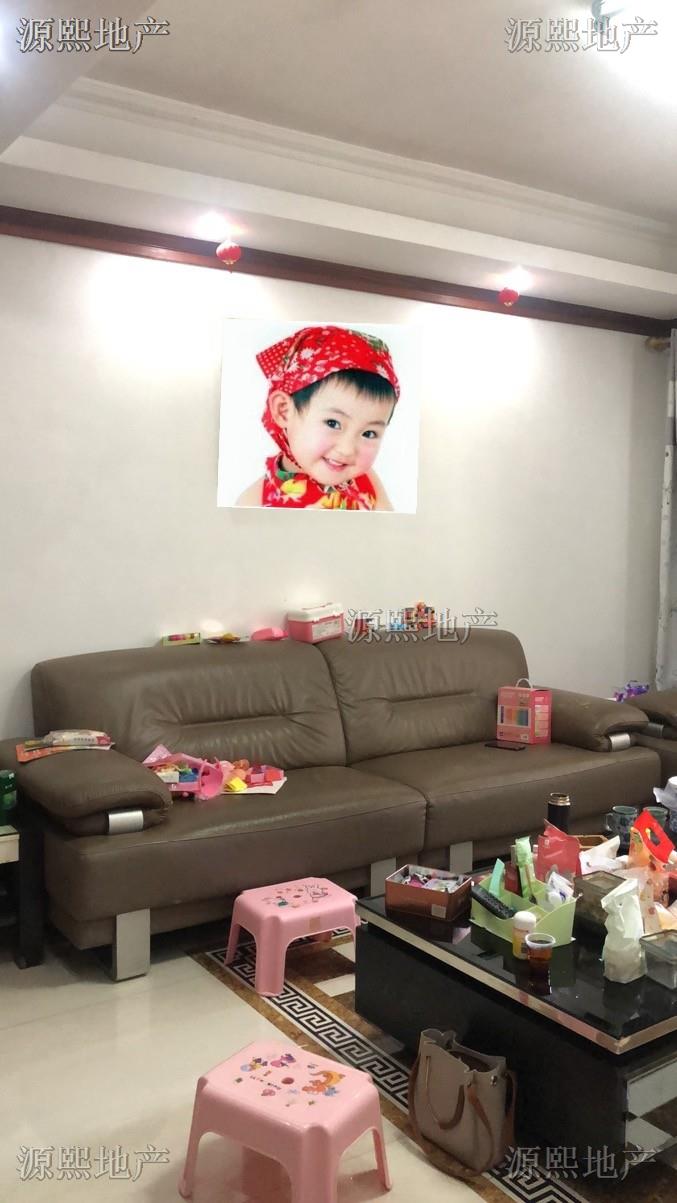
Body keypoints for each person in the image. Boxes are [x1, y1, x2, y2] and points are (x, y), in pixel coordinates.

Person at [236, 325, 400, 509]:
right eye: (333, 423)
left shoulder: (367, 481)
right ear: (284, 410)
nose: (347, 450)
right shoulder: (254, 503)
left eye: (369, 433)